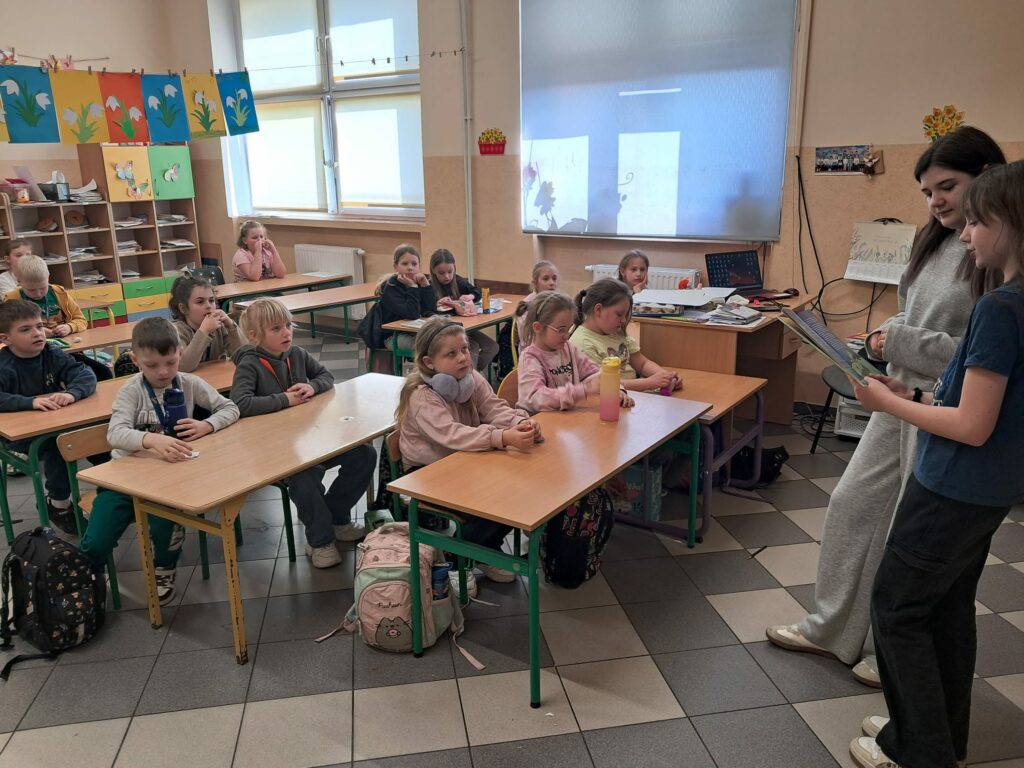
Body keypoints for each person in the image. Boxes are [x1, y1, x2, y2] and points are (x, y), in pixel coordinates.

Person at [766, 126, 1007, 687]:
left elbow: (980, 354)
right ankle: (831, 629)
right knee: (853, 505)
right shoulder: (934, 242)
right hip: (898, 395)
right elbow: (912, 313)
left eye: (947, 186)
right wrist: (882, 338)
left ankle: (892, 650)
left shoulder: (996, 251)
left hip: (941, 408)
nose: (936, 201)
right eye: (927, 192)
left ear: (987, 179)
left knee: (909, 537)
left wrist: (898, 341)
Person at [847, 160, 1024, 768]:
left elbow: (971, 426)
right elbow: (984, 404)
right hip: (990, 490)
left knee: (896, 609)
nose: (966, 235)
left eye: (976, 221)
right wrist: (917, 395)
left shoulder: (1000, 308)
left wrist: (886, 404)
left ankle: (917, 750)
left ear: (1011, 222)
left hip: (951, 487)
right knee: (946, 610)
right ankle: (939, 736)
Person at [79, 317, 239, 603]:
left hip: (170, 481)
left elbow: (230, 408)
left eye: (171, 362)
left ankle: (164, 568)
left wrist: (207, 425)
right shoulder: (131, 390)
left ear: (180, 352)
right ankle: (88, 574)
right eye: (152, 365)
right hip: (124, 480)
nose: (163, 371)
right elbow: (115, 434)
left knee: (166, 523)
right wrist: (152, 440)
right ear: (135, 360)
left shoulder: (189, 383)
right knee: (97, 539)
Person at [396, 316, 541, 597]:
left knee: (515, 491)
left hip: (463, 462)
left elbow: (495, 408)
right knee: (491, 504)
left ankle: (483, 549)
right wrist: (501, 437)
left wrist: (520, 422)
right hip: (426, 474)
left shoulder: (470, 378)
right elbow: (452, 435)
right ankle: (455, 560)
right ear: (428, 362)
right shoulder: (421, 396)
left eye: (464, 349)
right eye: (451, 354)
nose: (463, 358)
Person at [231, 298, 374, 568]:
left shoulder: (296, 354)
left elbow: (326, 376)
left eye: (288, 325)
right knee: (305, 477)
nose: (286, 332)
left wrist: (312, 387)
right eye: (276, 328)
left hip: (308, 442)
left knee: (364, 454)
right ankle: (320, 541)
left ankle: (336, 517)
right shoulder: (249, 365)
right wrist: (285, 399)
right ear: (255, 336)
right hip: (274, 452)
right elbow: (240, 404)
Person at [0, 299, 97, 534]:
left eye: (39, 326)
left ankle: (116, 491)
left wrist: (72, 393)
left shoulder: (51, 353)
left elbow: (84, 374)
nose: (37, 333)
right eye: (25, 329)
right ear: (5, 338)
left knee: (98, 434)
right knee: (58, 445)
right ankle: (59, 504)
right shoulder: (4, 365)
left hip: (51, 424)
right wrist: (30, 402)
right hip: (18, 436)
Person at [517, 291, 632, 413]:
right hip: (538, 421)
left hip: (565, 418)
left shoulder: (568, 348)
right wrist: (583, 390)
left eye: (569, 328)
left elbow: (597, 374)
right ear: (538, 327)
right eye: (561, 330)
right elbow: (536, 399)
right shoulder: (530, 358)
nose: (567, 336)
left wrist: (617, 389)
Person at [570, 278, 680, 392]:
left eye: (625, 315)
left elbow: (642, 364)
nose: (623, 320)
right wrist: (649, 383)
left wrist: (665, 376)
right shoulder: (582, 343)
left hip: (633, 394)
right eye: (619, 314)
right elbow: (603, 384)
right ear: (598, 309)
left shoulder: (615, 332)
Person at [428, 248, 498, 372]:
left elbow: (476, 292)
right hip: (444, 330)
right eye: (441, 273)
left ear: (454, 268)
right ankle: (469, 374)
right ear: (433, 271)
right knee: (473, 347)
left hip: (464, 327)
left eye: (450, 271)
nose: (447, 276)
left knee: (492, 347)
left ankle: (470, 373)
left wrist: (470, 296)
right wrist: (437, 304)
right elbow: (427, 311)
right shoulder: (429, 287)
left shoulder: (458, 281)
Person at [169, 275, 245, 372]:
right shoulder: (176, 332)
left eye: (211, 300)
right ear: (183, 308)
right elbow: (184, 367)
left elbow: (244, 356)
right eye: (200, 302)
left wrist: (231, 326)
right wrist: (204, 331)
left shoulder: (219, 326)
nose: (209, 306)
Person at [376, 244, 435, 360]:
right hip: (393, 336)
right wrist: (412, 288)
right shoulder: (391, 287)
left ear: (419, 266)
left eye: (414, 264)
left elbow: (431, 310)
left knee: (443, 343)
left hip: (415, 332)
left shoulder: (419, 282)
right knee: (432, 349)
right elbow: (412, 314)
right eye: (404, 264)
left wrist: (426, 286)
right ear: (395, 267)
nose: (410, 268)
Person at [514, 260, 560, 352]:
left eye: (554, 279)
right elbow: (527, 341)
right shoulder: (526, 306)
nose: (552, 283)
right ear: (535, 283)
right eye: (546, 279)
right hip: (532, 354)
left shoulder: (557, 302)